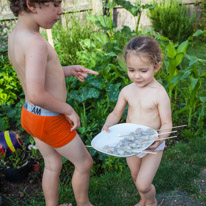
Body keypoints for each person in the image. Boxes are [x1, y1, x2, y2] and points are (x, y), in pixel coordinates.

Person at [8, 1, 99, 206]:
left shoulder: (16, 35)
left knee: (52, 163)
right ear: (32, 5)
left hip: (31, 115)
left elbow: (37, 74)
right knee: (84, 163)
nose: (60, 11)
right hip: (49, 118)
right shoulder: (36, 42)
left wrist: (68, 69)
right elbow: (36, 94)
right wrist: (67, 108)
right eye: (55, 4)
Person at [102, 36, 172, 206]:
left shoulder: (159, 94)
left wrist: (160, 139)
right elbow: (116, 113)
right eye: (131, 70)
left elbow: (167, 123)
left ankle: (152, 201)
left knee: (143, 183)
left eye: (143, 70)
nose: (137, 76)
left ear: (156, 67)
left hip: (152, 143)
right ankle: (144, 199)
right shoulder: (127, 91)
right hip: (131, 140)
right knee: (135, 175)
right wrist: (108, 124)